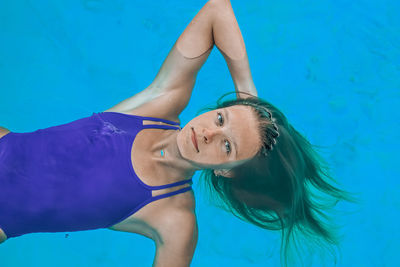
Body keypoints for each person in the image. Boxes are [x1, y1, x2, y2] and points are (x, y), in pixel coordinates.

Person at [0, 0, 354, 266]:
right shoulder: (158, 106)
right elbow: (218, 10)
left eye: (227, 145)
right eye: (220, 119)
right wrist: (248, 96)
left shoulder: (174, 219)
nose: (208, 134)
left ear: (227, 170)